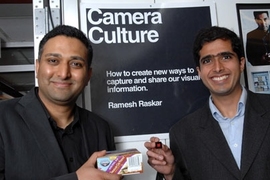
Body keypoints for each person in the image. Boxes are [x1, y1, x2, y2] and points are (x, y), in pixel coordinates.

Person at [145, 26, 270, 180]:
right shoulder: (183, 133)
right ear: (199, 71)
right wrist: (171, 173)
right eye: (208, 60)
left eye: (225, 57)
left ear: (241, 63)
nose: (218, 68)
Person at [0, 25, 122, 180]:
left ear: (88, 75)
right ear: (37, 67)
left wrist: (163, 173)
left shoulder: (100, 128)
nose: (64, 73)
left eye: (76, 64)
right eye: (53, 60)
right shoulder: (3, 119)